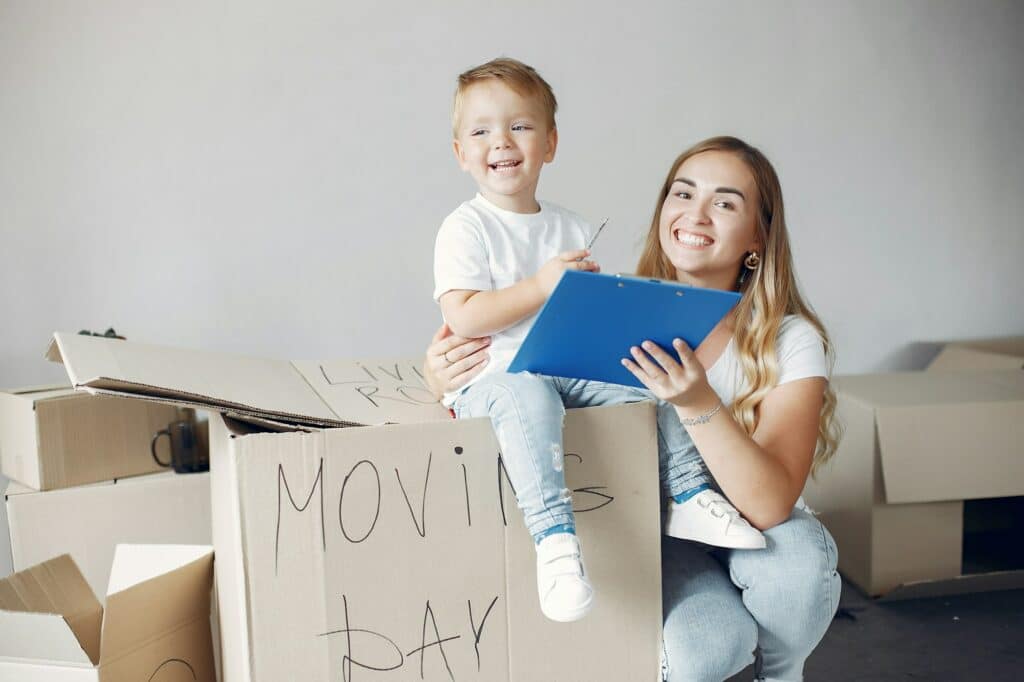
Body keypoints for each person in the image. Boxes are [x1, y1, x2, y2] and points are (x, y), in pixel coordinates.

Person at [425, 135, 842, 681]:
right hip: (659, 528)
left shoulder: (788, 339)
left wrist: (696, 401)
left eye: (725, 202)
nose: (696, 214)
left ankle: (780, 674)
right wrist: (444, 378)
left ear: (758, 235)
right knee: (707, 649)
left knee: (801, 564)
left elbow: (767, 506)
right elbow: (521, 383)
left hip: (753, 525)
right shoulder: (611, 309)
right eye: (682, 193)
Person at [434, 60, 764, 623]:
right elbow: (464, 317)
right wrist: (542, 285)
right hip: (496, 380)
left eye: (520, 126)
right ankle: (555, 543)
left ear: (550, 143)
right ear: (461, 152)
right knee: (529, 396)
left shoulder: (568, 226)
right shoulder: (465, 227)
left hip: (560, 365)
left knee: (645, 383)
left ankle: (688, 494)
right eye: (482, 131)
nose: (502, 142)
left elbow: (577, 313)